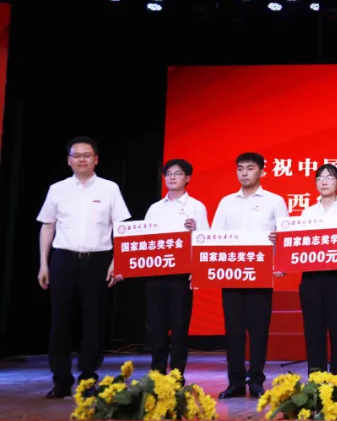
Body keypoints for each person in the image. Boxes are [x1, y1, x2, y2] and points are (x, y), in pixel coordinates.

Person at [36, 136, 131, 399]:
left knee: (94, 321)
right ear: (69, 160)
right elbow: (47, 226)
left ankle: (88, 378)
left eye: (86, 155)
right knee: (60, 321)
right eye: (76, 155)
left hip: (98, 261)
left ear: (96, 159)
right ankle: (61, 379)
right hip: (63, 260)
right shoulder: (58, 189)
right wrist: (43, 263)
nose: (81, 159)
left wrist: (117, 261)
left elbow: (121, 228)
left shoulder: (109, 188)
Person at [211, 152, 290, 399]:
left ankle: (256, 380)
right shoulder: (226, 202)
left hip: (261, 275)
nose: (244, 173)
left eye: (250, 168)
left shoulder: (274, 201)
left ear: (262, 172)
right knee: (233, 331)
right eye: (240, 169)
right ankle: (235, 382)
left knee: (258, 330)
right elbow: (215, 237)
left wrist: (280, 256)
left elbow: (285, 236)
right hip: (231, 274)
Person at [142, 159, 210, 379]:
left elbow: (206, 241)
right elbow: (143, 240)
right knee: (156, 328)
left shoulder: (196, 207)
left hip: (181, 277)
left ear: (187, 178)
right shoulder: (155, 208)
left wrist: (196, 230)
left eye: (177, 173)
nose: (171, 177)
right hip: (155, 274)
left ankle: (177, 376)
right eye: (168, 174)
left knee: (179, 329)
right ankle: (157, 376)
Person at [290, 164, 337, 376]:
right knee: (313, 330)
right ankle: (316, 378)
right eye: (320, 178)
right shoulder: (307, 213)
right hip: (312, 278)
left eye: (329, 177)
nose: (324, 181)